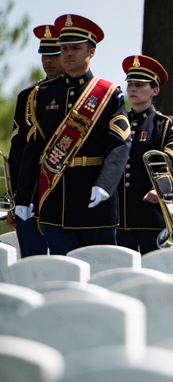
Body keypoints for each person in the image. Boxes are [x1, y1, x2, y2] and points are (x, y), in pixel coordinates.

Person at [14, 14, 131, 255]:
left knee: (100, 271)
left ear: (91, 52)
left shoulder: (108, 94)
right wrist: (23, 196)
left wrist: (105, 185)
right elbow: (33, 149)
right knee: (63, 273)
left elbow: (119, 144)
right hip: (55, 199)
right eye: (64, 48)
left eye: (75, 48)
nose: (67, 54)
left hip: (94, 200)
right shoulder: (42, 95)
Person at [6, 24, 63, 256]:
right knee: (32, 258)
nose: (48, 61)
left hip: (65, 188)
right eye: (44, 55)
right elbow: (18, 150)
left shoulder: (82, 96)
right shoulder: (28, 95)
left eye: (54, 54)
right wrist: (15, 197)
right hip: (31, 191)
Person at [115, 55, 173, 253]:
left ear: (155, 90)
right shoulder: (118, 123)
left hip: (151, 217)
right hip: (120, 218)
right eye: (130, 84)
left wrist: (159, 189)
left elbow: (171, 162)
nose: (133, 89)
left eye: (140, 85)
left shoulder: (167, 126)